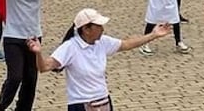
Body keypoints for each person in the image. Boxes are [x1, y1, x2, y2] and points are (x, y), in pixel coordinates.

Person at [28, 8, 172, 111]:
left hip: (104, 100)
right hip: (81, 104)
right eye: (98, 26)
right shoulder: (70, 47)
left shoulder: (102, 42)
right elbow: (44, 67)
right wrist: (38, 53)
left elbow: (126, 44)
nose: (102, 28)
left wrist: (153, 35)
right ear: (86, 29)